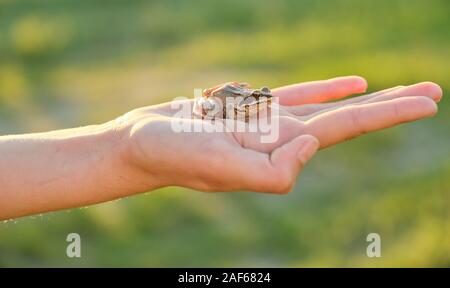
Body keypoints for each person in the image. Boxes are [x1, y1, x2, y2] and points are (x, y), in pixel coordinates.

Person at [0, 76, 442, 220]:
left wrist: (120, 146)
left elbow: (242, 98)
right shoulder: (217, 105)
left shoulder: (244, 101)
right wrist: (123, 147)